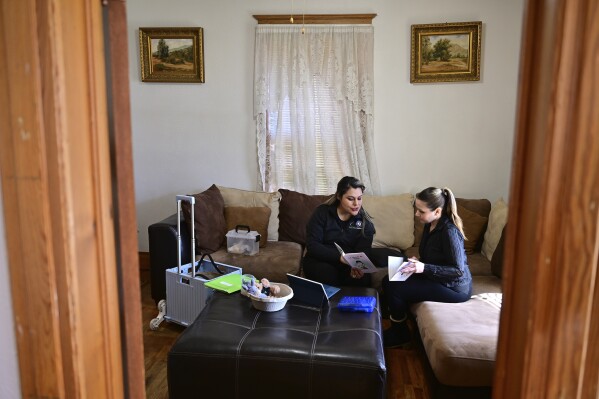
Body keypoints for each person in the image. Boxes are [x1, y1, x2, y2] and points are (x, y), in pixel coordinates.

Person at [382, 187, 472, 348]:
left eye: (421, 211)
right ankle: (397, 321)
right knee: (389, 278)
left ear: (437, 211)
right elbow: (436, 256)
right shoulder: (429, 224)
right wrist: (419, 262)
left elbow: (458, 271)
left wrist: (423, 268)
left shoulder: (449, 231)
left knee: (396, 287)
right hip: (436, 277)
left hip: (455, 288)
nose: (417, 214)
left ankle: (400, 334)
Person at [303, 176, 402, 287]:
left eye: (359, 198)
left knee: (362, 278)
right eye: (350, 199)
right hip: (320, 259)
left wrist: (356, 268)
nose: (356, 204)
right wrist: (340, 257)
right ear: (339, 196)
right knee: (327, 273)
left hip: (347, 263)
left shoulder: (365, 224)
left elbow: (361, 253)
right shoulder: (322, 213)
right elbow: (313, 246)